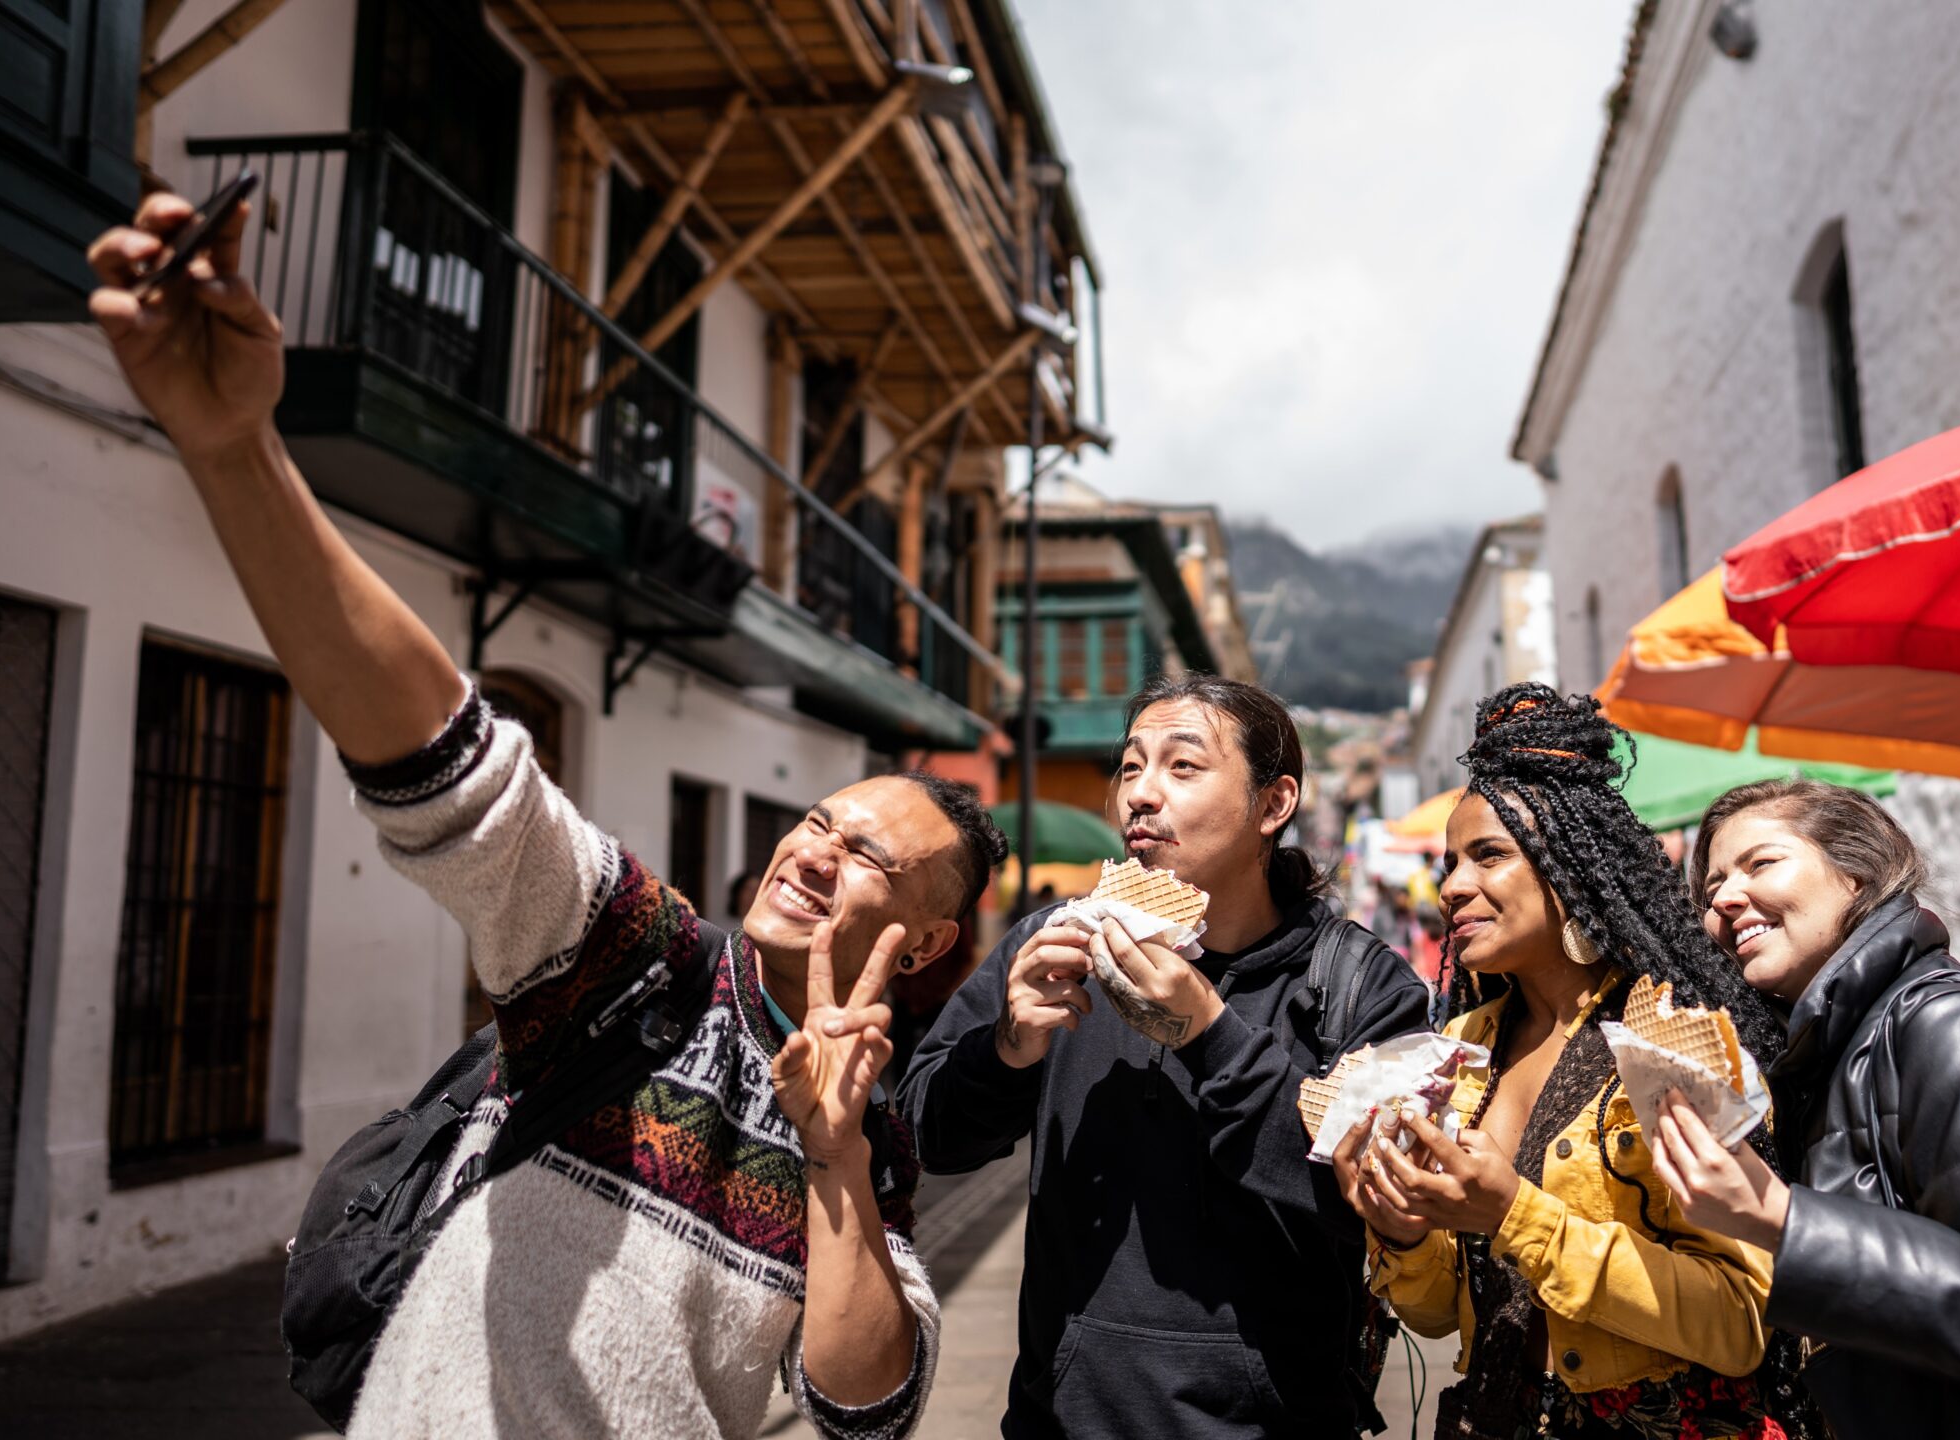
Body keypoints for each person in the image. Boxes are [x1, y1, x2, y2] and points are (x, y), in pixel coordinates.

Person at [86, 193, 1009, 1438]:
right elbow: (460, 772)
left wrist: (835, 1158)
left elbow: (866, 1406)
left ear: (933, 939)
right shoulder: (637, 962)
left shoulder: (870, 1130)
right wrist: (237, 448)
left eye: (869, 856)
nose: (815, 851)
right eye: (819, 820)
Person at [899, 674, 1430, 1439]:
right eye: (1130, 767)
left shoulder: (1359, 983)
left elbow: (1370, 1207)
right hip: (1059, 1419)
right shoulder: (1059, 943)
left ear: (1273, 804)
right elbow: (927, 1136)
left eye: (1182, 767)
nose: (1140, 795)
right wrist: (1007, 1049)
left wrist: (1210, 1034)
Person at [1331, 685, 1796, 1439]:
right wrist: (1406, 1233)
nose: (1451, 887)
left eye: (1489, 855)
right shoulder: (1465, 1049)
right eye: (1451, 861)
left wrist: (1517, 1214)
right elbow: (1436, 1317)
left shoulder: (1670, 1037)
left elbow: (1740, 1321)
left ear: (1570, 866)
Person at [1649, 779, 1960, 1438]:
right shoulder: (1828, 1049)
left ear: (1855, 874)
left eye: (1760, 863)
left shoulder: (1941, 1021)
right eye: (1711, 888)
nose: (1725, 899)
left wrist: (1783, 1219)